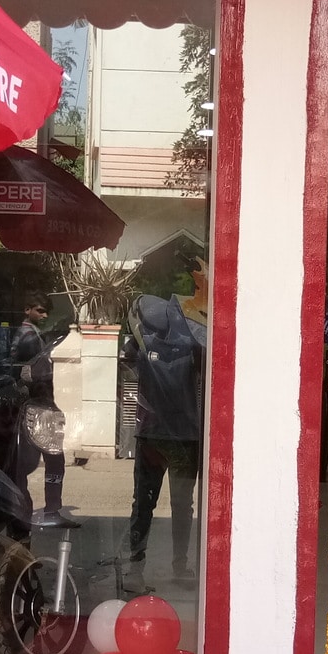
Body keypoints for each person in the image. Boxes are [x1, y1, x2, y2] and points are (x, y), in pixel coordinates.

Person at [120, 254, 208, 593]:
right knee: (183, 505)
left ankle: (134, 571)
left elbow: (126, 365)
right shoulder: (195, 339)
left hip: (151, 435)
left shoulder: (140, 339)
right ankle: (180, 567)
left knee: (143, 503)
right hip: (186, 436)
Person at [11, 294, 68, 520]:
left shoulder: (25, 334)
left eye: (46, 312)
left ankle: (23, 509)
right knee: (54, 460)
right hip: (40, 406)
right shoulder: (29, 338)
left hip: (31, 406)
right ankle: (51, 510)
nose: (44, 315)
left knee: (25, 462)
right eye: (40, 310)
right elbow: (36, 374)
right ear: (27, 310)